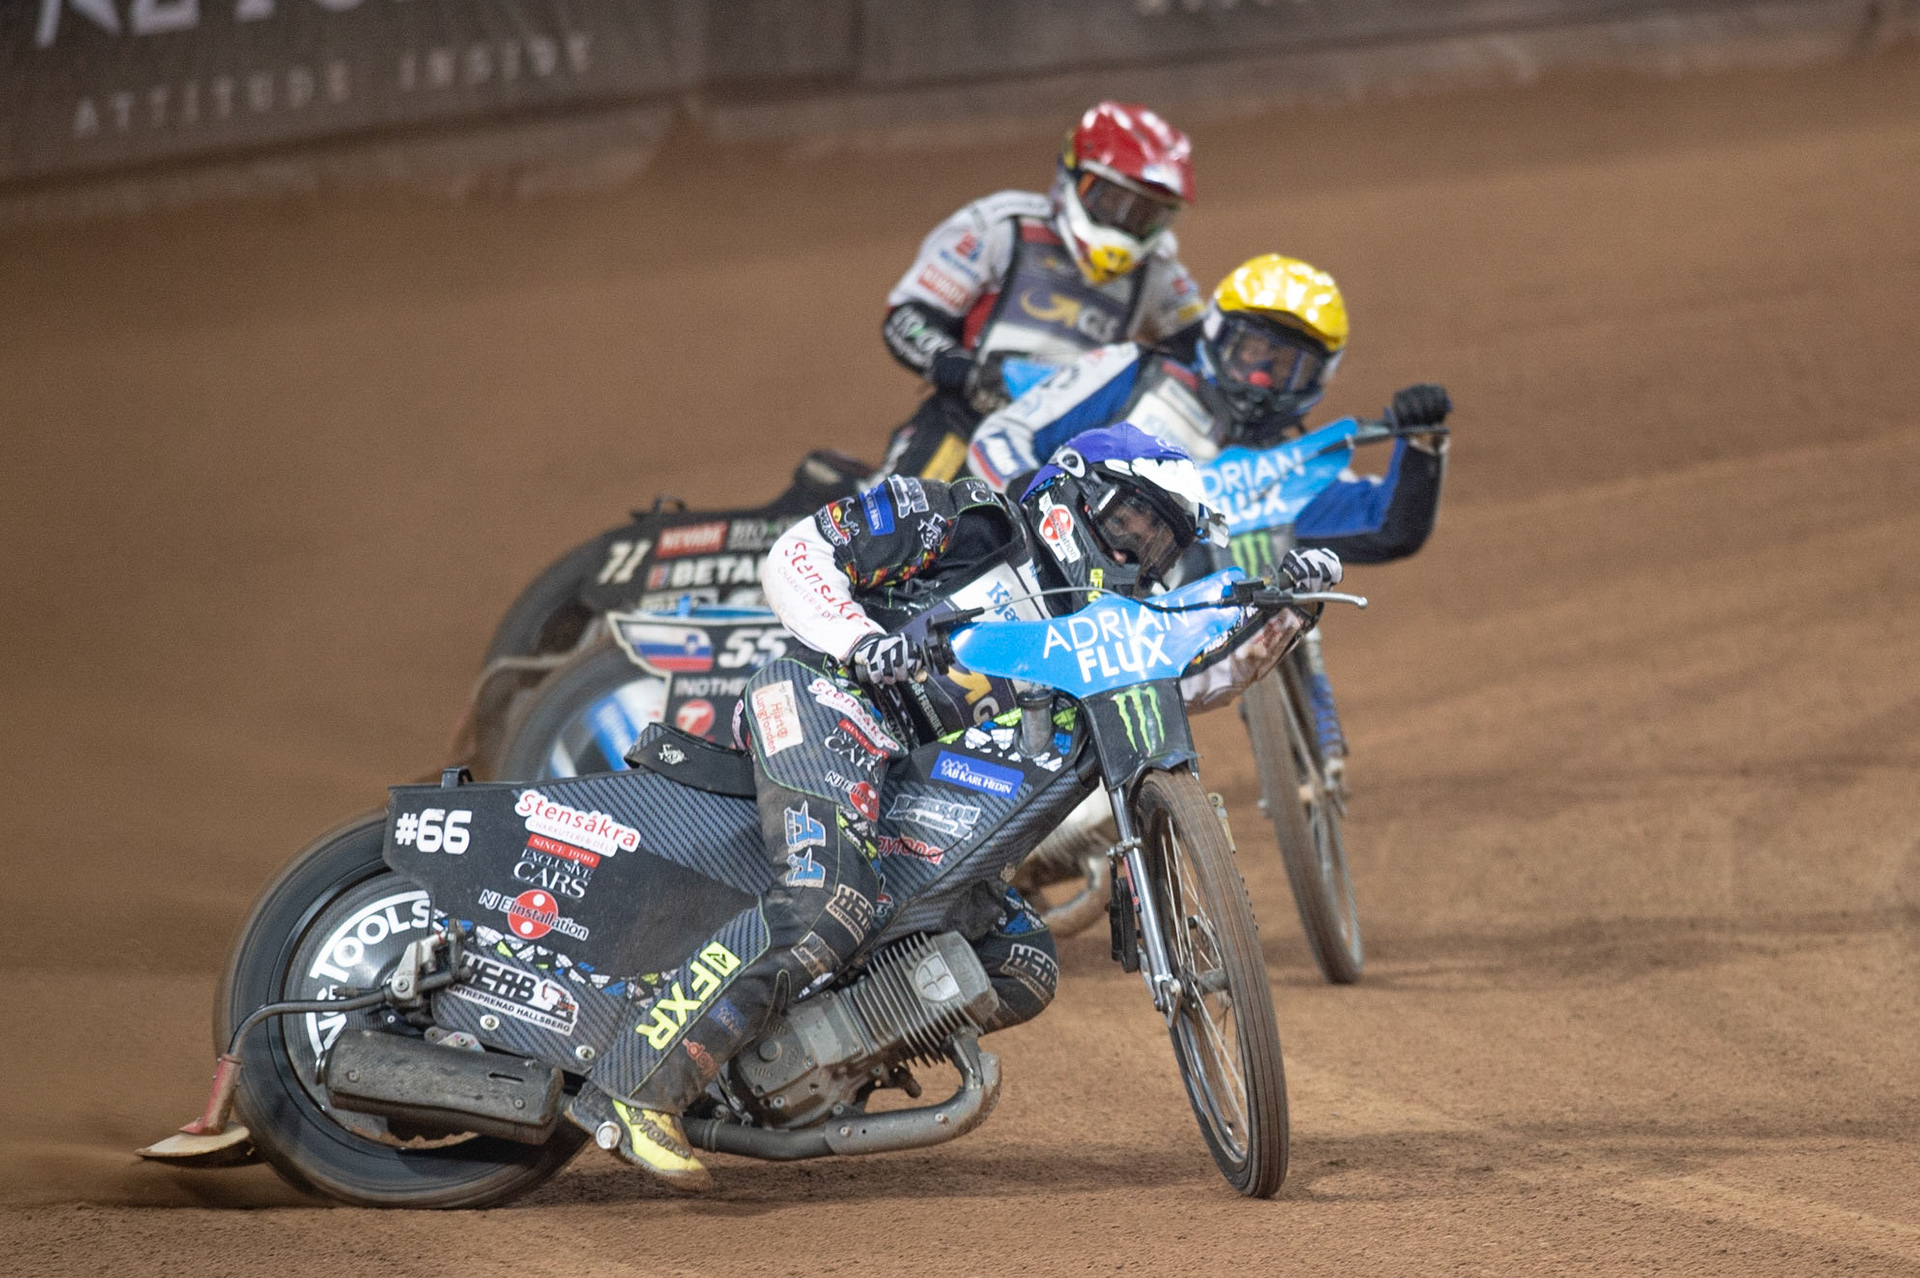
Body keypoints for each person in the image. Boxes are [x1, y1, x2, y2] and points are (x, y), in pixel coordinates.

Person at [568, 425, 1343, 1189]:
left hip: (915, 785)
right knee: (827, 901)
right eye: (1131, 524)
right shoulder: (971, 521)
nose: (1138, 554)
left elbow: (1198, 681)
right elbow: (798, 551)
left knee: (1022, 963)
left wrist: (1288, 609)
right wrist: (860, 639)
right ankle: (638, 1083)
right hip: (824, 699)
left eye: (1159, 546)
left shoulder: (1111, 627)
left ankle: (790, 1066)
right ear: (1074, 492)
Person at [967, 254, 1454, 566]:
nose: (1261, 379)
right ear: (1216, 335)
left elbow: (1390, 526)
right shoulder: (1135, 373)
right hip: (1037, 574)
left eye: (1287, 367)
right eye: (1250, 351)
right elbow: (1000, 437)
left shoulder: (1287, 473)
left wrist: (1422, 447)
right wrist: (1032, 501)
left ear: (1319, 379)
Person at [876, 102, 1208, 482]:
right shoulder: (1003, 225)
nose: (1126, 222)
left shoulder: (1159, 274)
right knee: (906, 521)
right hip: (966, 420)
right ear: (1074, 174)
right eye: (1115, 200)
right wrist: (962, 369)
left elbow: (1205, 354)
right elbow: (908, 316)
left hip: (1068, 448)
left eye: (1146, 214)